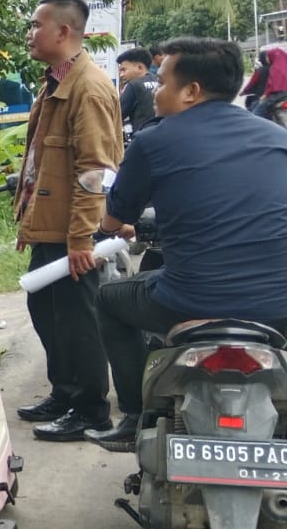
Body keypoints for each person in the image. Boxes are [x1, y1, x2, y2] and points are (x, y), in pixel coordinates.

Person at [86, 38, 287, 451]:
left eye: (161, 83)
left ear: (191, 91)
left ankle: (133, 417)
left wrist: (115, 227)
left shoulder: (154, 141)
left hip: (190, 300)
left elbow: (114, 218)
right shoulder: (276, 137)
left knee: (109, 299)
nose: (154, 91)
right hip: (278, 305)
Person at [13, 0, 123, 441]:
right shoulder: (54, 81)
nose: (30, 33)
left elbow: (95, 171)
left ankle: (91, 410)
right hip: (50, 228)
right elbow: (43, 164)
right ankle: (65, 392)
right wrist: (29, 222)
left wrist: (81, 239)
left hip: (73, 235)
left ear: (64, 32)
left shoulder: (89, 88)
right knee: (48, 312)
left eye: (37, 25)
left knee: (78, 322)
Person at [115, 47, 158, 139]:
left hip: (143, 140)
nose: (121, 75)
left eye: (124, 70)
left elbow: (117, 116)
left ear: (139, 68)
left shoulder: (134, 85)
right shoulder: (160, 81)